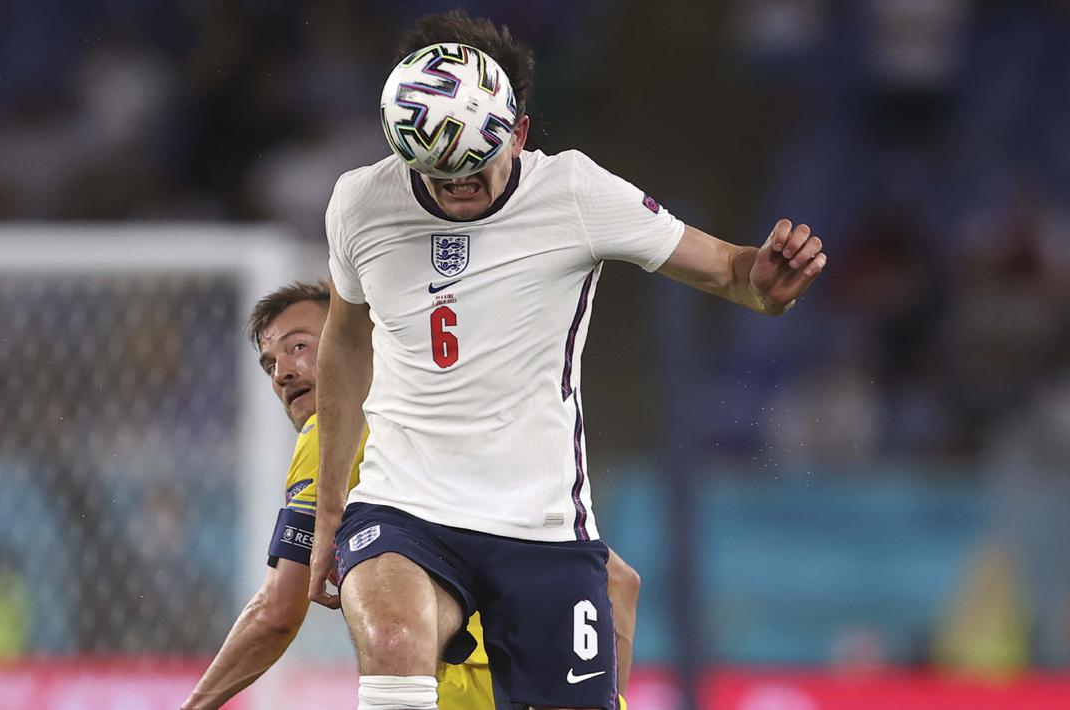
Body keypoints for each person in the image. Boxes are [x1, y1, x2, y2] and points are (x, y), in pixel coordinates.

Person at [310, 10, 828, 710]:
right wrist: (331, 505)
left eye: (473, 169)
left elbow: (728, 271)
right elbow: (344, 338)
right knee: (395, 646)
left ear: (517, 134)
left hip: (541, 528)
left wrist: (765, 283)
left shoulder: (576, 194)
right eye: (434, 174)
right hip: (405, 506)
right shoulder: (359, 203)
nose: (454, 189)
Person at [183, 281, 644, 709]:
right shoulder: (455, 431)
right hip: (544, 675)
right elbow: (619, 581)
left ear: (354, 343)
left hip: (462, 684)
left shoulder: (331, 433)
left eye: (299, 346)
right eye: (270, 363)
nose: (283, 372)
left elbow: (278, 612)